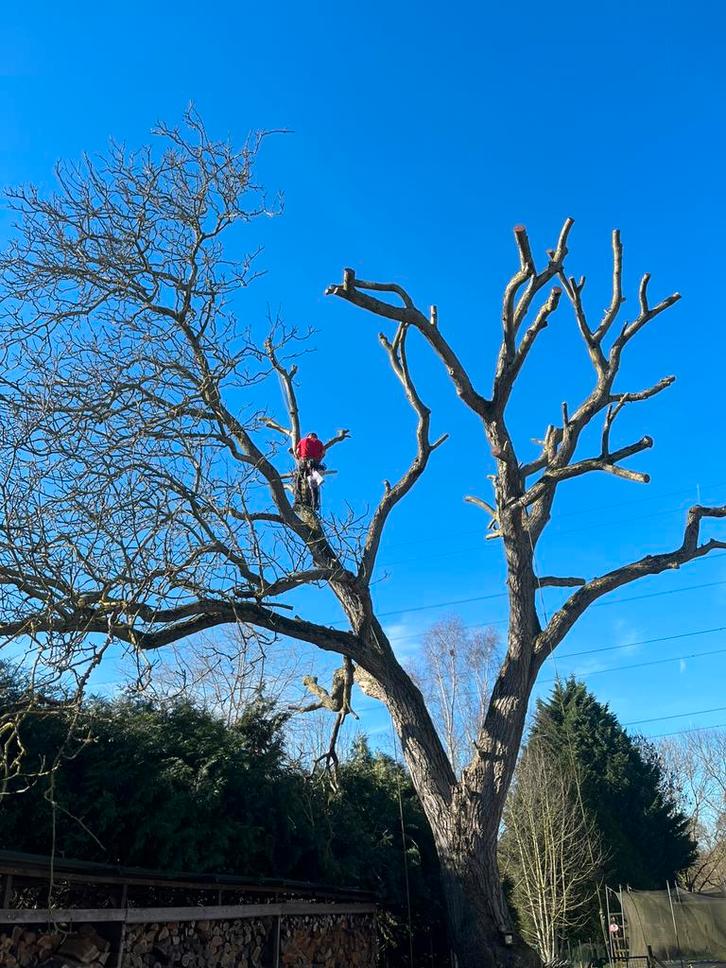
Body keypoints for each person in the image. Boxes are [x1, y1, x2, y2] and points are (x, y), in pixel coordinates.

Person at [294, 433, 325, 510]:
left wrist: (300, 458)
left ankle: (298, 500)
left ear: (308, 436)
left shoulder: (303, 440)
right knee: (314, 484)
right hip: (314, 464)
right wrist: (318, 460)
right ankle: (315, 503)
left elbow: (297, 452)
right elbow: (323, 454)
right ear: (316, 437)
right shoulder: (319, 442)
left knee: (299, 480)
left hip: (304, 462)